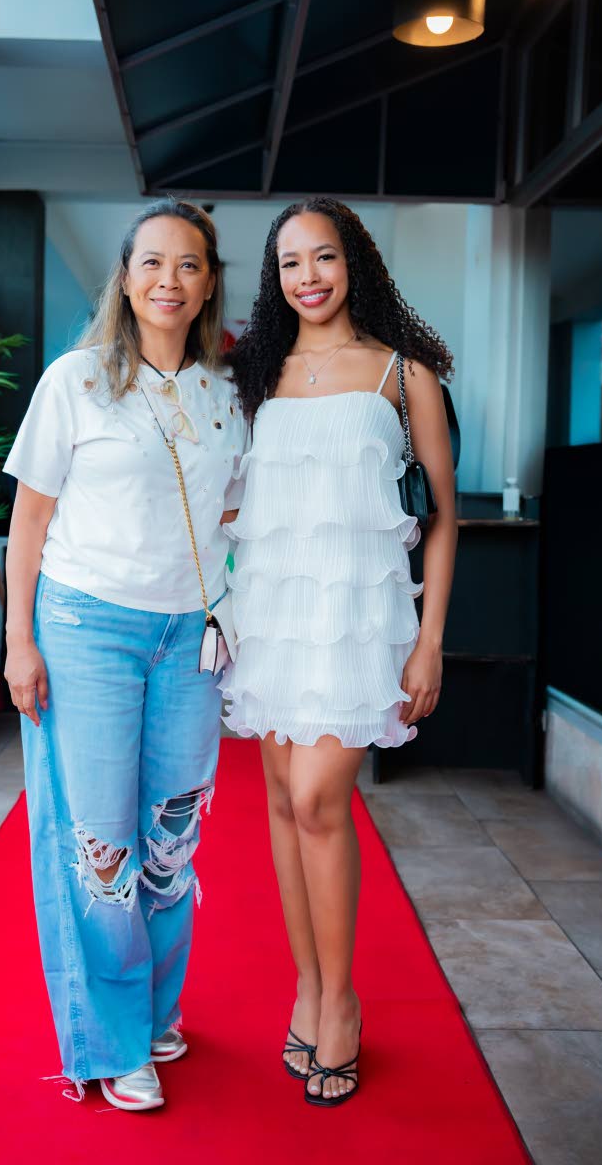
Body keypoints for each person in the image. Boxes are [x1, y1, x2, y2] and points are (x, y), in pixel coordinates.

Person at [3, 198, 246, 1111]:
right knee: (98, 845)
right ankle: (109, 1044)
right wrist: (18, 641)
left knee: (168, 845)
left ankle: (152, 1013)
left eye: (188, 266)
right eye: (152, 263)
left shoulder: (225, 397)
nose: (168, 282)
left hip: (190, 638)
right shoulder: (75, 382)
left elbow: (232, 516)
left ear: (209, 281)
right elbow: (29, 519)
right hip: (85, 629)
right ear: (125, 275)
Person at [223, 197, 457, 1107]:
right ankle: (309, 988)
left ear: (354, 261)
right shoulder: (258, 371)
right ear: (275, 277)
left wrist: (430, 640)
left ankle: (345, 1002)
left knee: (322, 799)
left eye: (324, 256)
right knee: (284, 803)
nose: (308, 276)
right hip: (275, 610)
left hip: (361, 619)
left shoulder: (406, 376)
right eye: (290, 262)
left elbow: (441, 518)